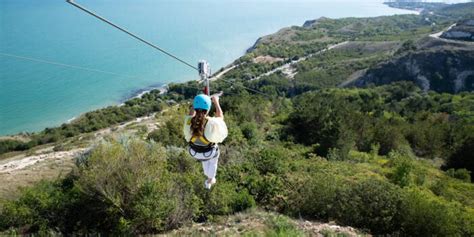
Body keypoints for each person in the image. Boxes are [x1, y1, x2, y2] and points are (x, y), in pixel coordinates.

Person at [183, 94, 228, 189]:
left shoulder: (188, 121)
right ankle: (211, 179)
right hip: (208, 153)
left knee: (205, 157)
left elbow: (191, 114)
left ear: (194, 108)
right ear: (207, 110)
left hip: (195, 152)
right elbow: (220, 118)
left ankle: (208, 175)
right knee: (213, 160)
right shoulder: (212, 122)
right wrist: (216, 102)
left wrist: (194, 104)